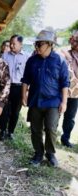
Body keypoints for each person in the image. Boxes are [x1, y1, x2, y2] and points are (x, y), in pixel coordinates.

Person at [21, 30, 69, 167]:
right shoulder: (32, 60)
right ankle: (38, 153)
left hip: (53, 102)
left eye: (40, 44)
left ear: (49, 44)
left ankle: (50, 153)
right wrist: (23, 95)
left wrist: (64, 102)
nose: (37, 47)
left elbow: (65, 83)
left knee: (51, 128)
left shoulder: (60, 60)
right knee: (35, 129)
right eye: (36, 44)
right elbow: (25, 80)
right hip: (35, 100)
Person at [0, 35, 29, 140]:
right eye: (10, 43)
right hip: (6, 87)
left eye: (14, 44)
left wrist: (26, 91)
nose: (11, 46)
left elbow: (28, 75)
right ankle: (2, 130)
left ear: (20, 44)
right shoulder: (5, 56)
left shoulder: (26, 57)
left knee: (15, 112)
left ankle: (11, 131)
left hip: (19, 87)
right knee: (4, 110)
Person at [60, 30, 78, 148]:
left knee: (70, 118)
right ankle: (48, 134)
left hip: (76, 94)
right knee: (56, 113)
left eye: (76, 40)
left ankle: (65, 138)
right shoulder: (64, 53)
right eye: (73, 39)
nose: (73, 42)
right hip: (62, 91)